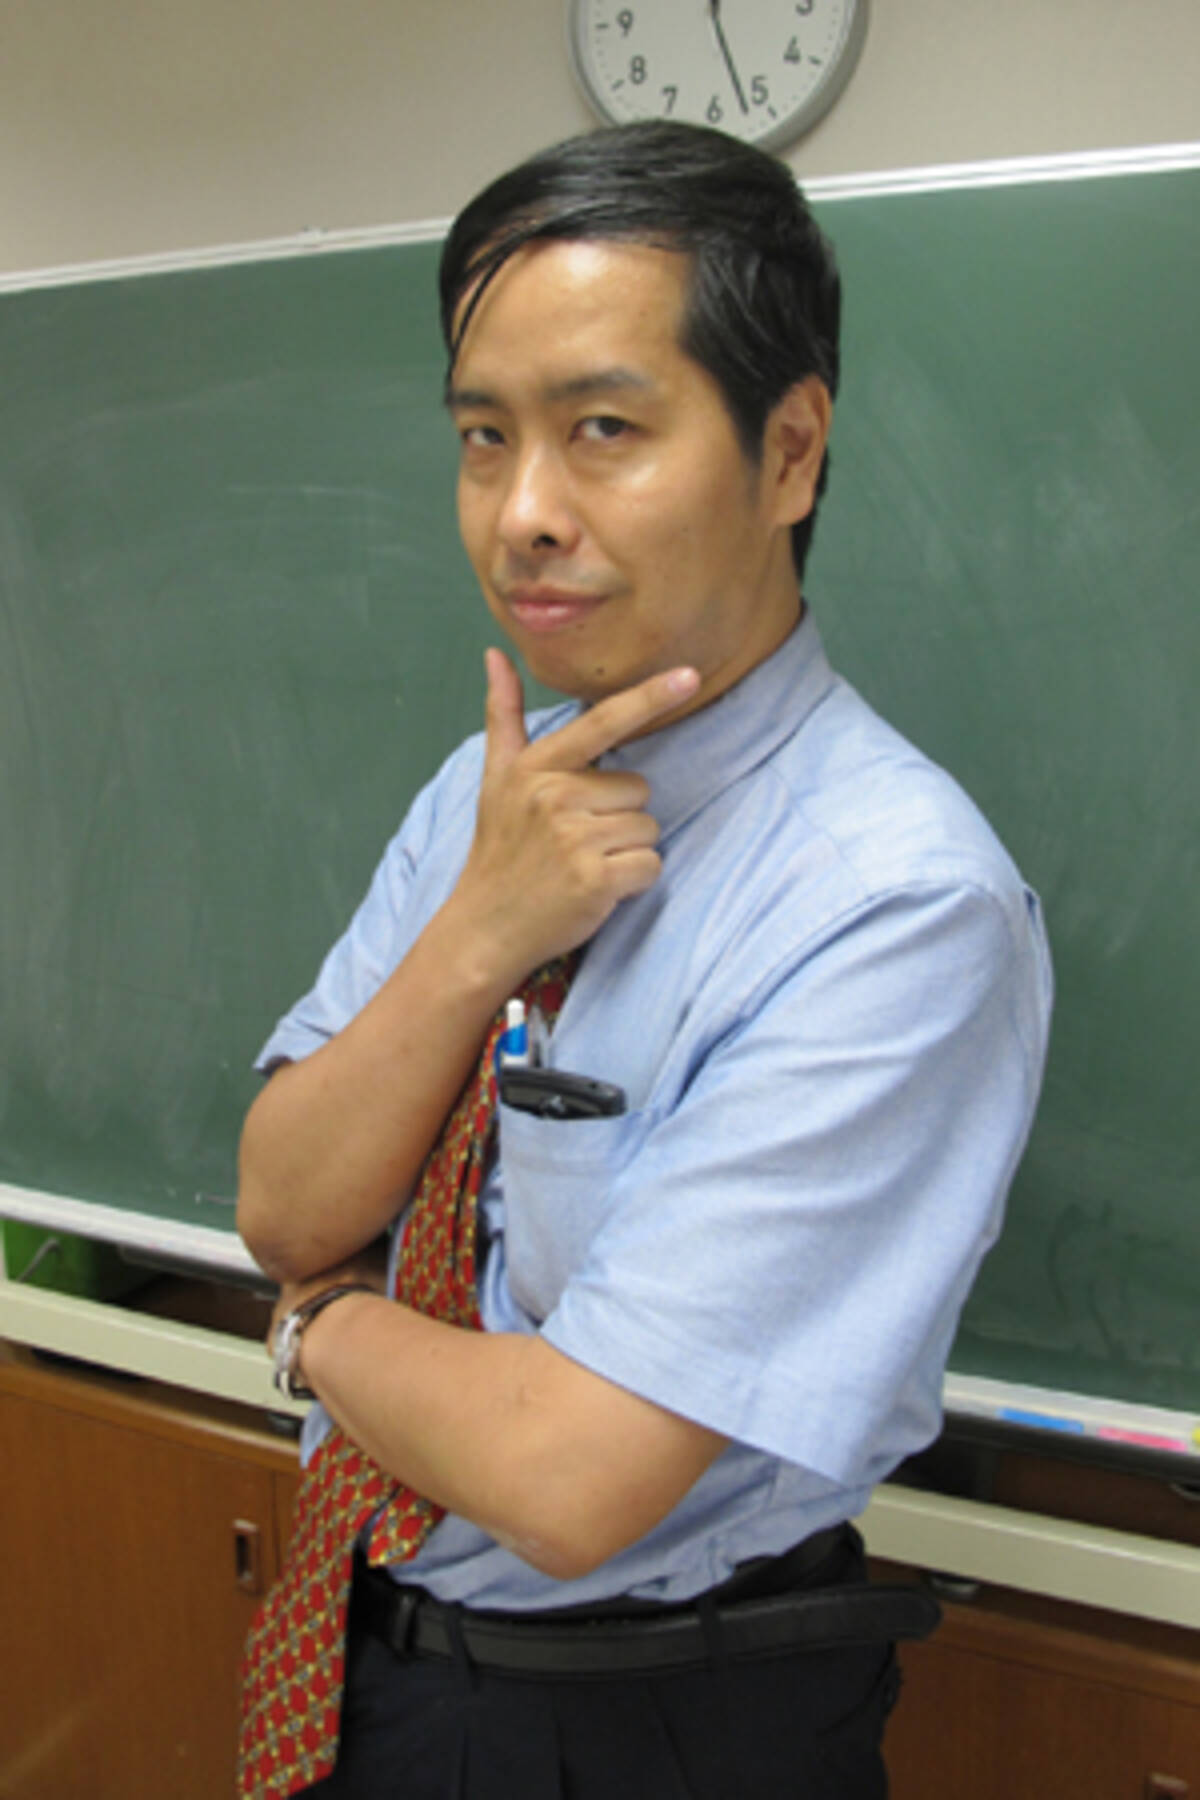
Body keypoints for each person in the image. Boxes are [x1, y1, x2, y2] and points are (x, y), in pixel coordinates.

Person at [236, 121, 1053, 1799]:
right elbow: (281, 1198)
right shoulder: (483, 792)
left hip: (653, 1720)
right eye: (485, 438)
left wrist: (315, 1329)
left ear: (789, 452)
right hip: (360, 1635)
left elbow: (571, 1471)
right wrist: (480, 928)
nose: (524, 514)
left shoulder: (898, 902)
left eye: (603, 429)